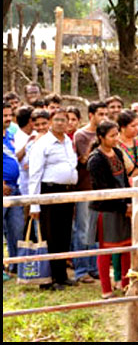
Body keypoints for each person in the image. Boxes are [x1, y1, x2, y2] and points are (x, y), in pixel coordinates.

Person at [29, 108, 78, 290]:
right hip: (49, 192)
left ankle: (61, 275)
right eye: (56, 120)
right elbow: (35, 175)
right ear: (50, 122)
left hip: (67, 192)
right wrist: (34, 205)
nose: (59, 123)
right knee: (50, 236)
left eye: (63, 120)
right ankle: (48, 279)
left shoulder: (67, 142)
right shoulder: (42, 144)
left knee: (64, 235)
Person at [86, 121, 132, 299]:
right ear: (101, 137)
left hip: (123, 207)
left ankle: (126, 283)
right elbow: (103, 187)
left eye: (116, 135)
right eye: (112, 136)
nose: (116, 139)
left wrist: (128, 202)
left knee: (127, 247)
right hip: (106, 209)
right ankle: (106, 289)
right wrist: (123, 206)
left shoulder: (118, 152)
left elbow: (124, 180)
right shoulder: (96, 159)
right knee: (106, 250)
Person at [72, 102, 109, 284]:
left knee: (94, 231)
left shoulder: (107, 134)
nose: (104, 117)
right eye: (100, 114)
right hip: (85, 188)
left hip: (99, 189)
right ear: (91, 115)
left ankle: (94, 267)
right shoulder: (81, 135)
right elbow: (85, 160)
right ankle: (81, 269)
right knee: (82, 229)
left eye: (105, 114)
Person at [3, 102, 24, 278]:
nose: (8, 118)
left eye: (10, 115)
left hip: (15, 189)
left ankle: (15, 264)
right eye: (4, 116)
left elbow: (13, 158)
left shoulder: (10, 134)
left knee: (16, 228)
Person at [117, 110, 138, 180]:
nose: (137, 128)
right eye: (133, 126)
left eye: (137, 125)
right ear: (122, 128)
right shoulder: (116, 145)